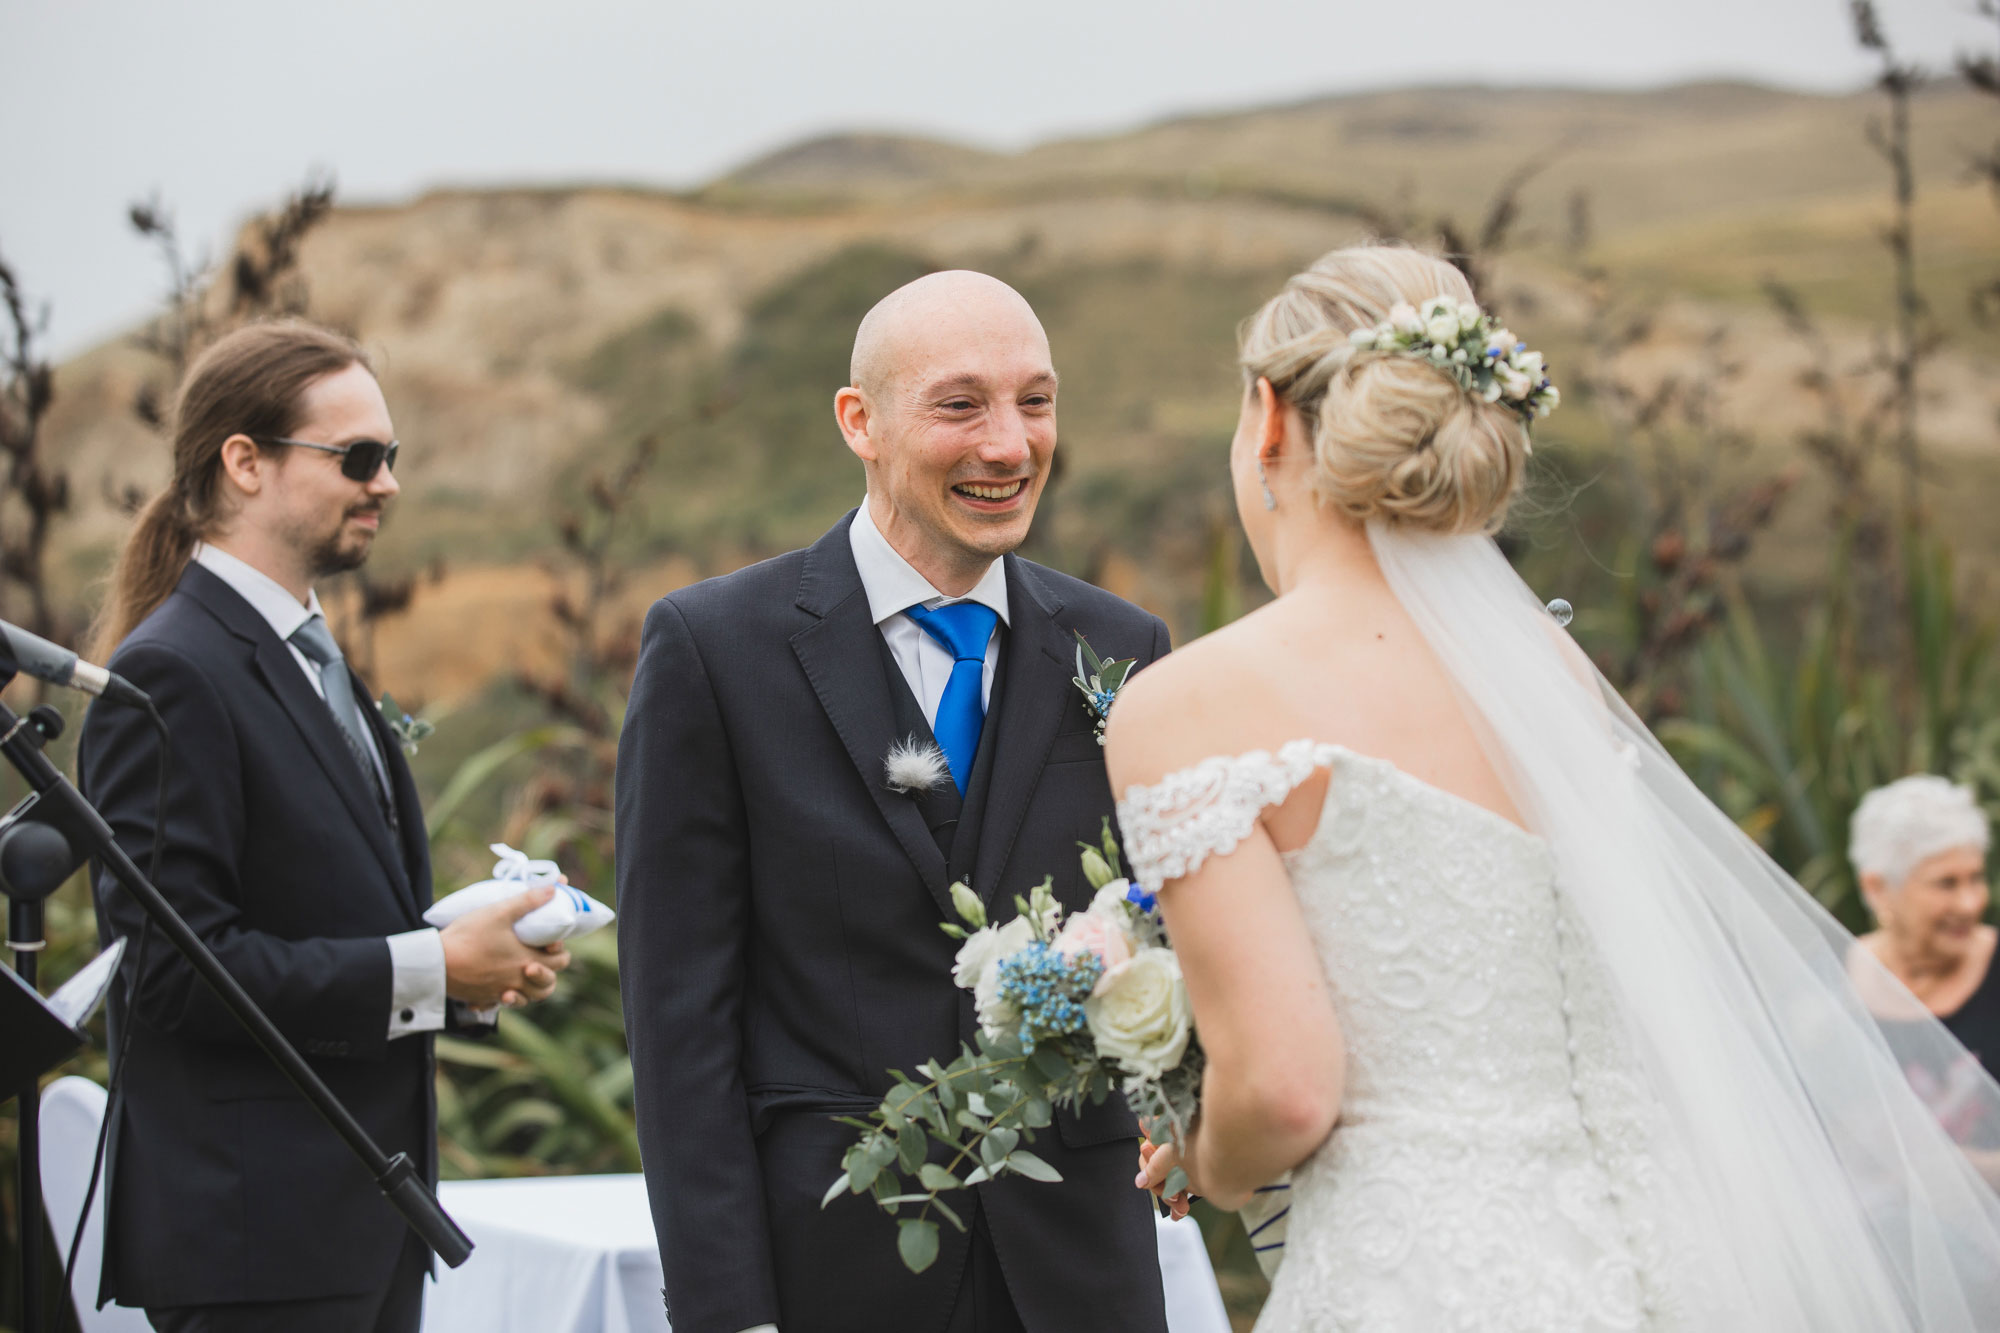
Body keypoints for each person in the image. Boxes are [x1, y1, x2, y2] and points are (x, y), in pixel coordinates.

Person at [1117, 244, 2000, 1330]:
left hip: (1425, 1282)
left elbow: (1284, 1091)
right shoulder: (1552, 674)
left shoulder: (1191, 702)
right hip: (1672, 1259)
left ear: (1265, 417)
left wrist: (1202, 1151)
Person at [617, 271, 1171, 1333]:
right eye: (959, 404)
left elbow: (1170, 924)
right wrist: (728, 1313)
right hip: (830, 1275)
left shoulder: (1122, 647)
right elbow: (679, 1024)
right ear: (858, 421)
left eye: (1035, 400)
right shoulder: (711, 651)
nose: (1009, 446)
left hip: (1079, 1279)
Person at [79, 320, 571, 1333]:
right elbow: (173, 970)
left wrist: (478, 963)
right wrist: (433, 966)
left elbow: (334, 910)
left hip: (357, 1220)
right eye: (355, 457)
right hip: (255, 1244)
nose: (385, 482)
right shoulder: (172, 672)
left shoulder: (305, 651)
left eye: (389, 456)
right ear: (245, 463)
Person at [1849, 775, 2000, 1148]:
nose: (1970, 903)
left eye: (1976, 878)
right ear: (1878, 889)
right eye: (1946, 883)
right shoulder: (1827, 983)